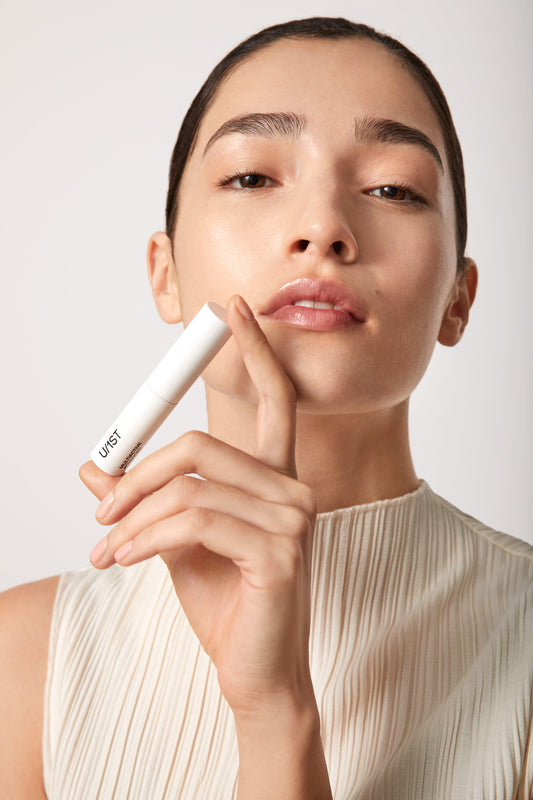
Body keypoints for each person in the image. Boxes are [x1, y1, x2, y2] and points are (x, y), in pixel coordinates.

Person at [1, 16, 532, 799]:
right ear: (165, 275)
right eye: (252, 177)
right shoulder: (22, 662)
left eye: (392, 188)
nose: (323, 229)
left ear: (458, 298)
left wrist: (275, 711)